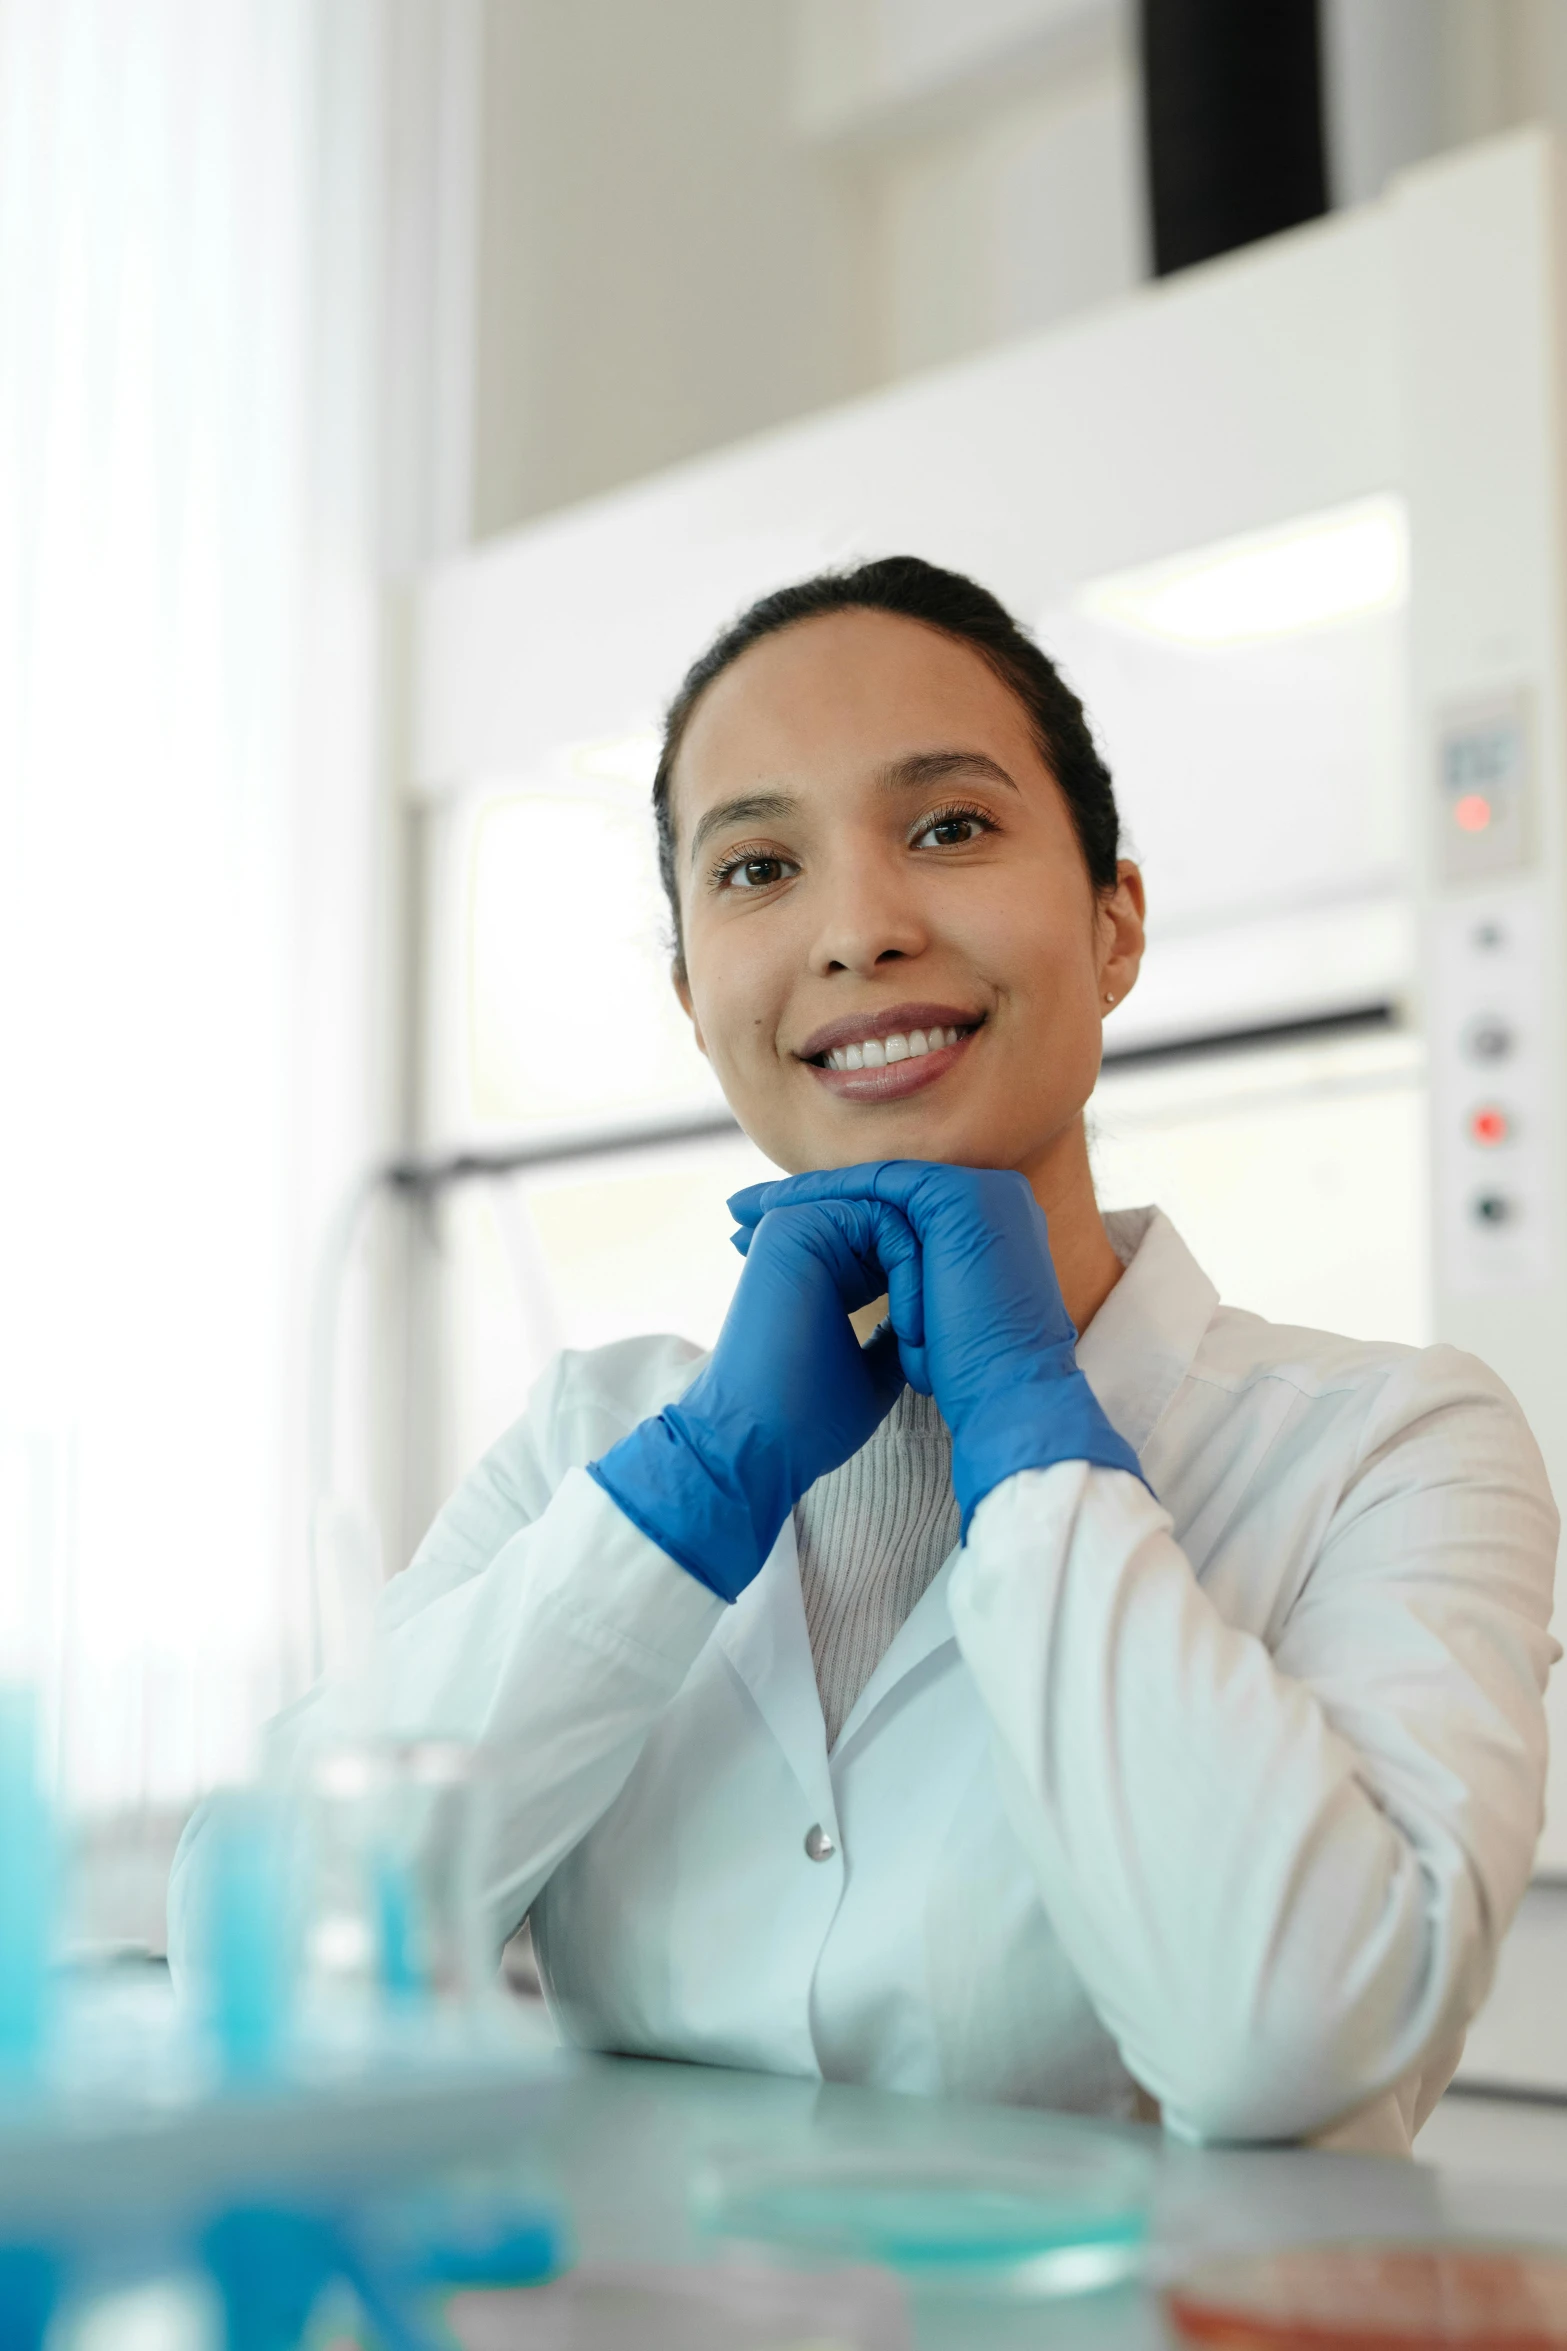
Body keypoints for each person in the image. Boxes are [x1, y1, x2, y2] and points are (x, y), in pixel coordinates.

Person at [171, 556, 1558, 2150]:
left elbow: (1278, 2049)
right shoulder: (591, 1441)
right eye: (757, 866)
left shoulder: (1390, 1446)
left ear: (1114, 923)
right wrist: (685, 1499)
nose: (856, 929)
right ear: (697, 1000)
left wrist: (1034, 1449)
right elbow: (254, 1952)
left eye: (950, 828)